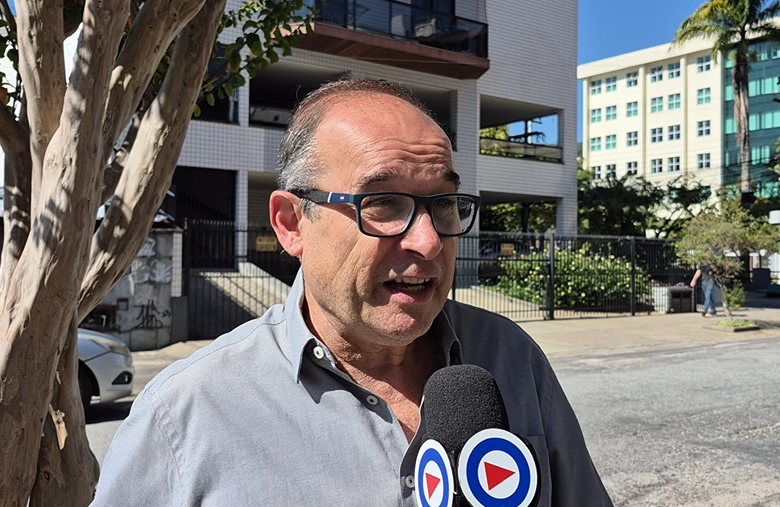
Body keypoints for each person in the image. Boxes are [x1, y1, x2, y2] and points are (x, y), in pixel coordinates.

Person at [90, 79, 613, 506]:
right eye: (382, 203)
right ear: (292, 223)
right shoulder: (184, 414)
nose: (429, 241)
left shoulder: (512, 356)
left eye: (445, 203)